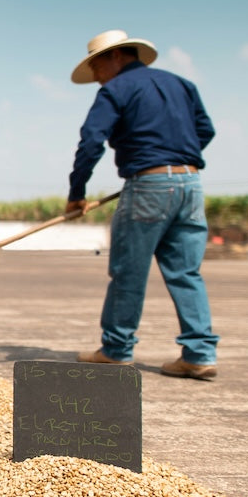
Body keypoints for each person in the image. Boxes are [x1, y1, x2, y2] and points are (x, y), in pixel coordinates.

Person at [67, 29, 220, 380]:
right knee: (186, 272)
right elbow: (205, 131)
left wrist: (77, 192)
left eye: (96, 67)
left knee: (128, 272)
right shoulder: (182, 84)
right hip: (190, 183)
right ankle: (199, 354)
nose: (95, 77)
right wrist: (174, 159)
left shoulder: (115, 89)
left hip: (148, 186)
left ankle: (117, 349)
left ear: (115, 57)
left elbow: (91, 141)